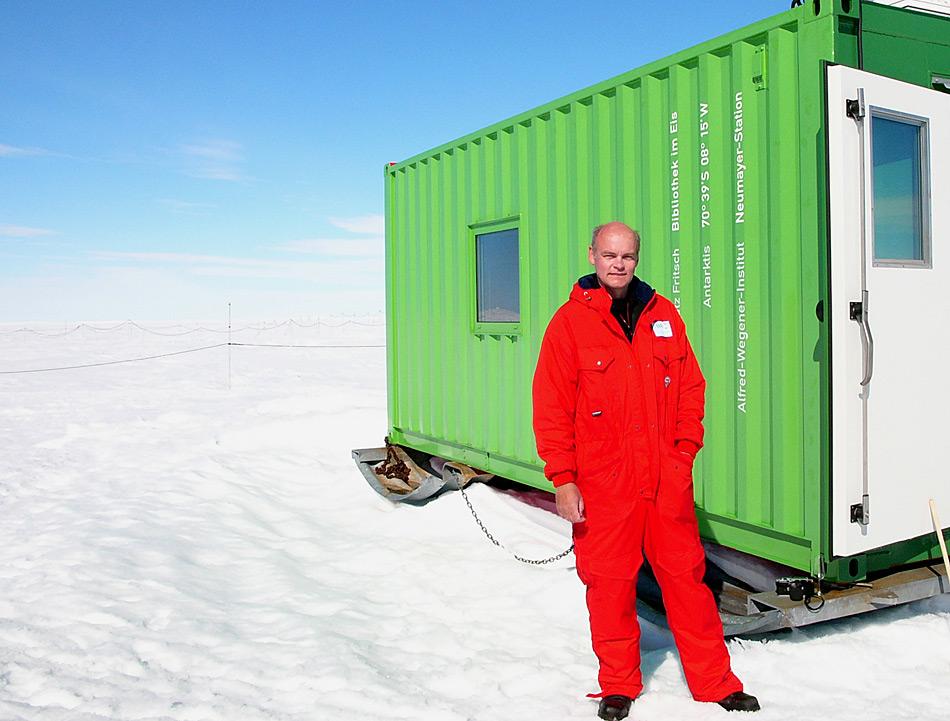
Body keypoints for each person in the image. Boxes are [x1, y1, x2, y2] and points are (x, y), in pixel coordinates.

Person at [532, 222, 760, 720]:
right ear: (591, 254)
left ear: (637, 257)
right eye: (609, 254)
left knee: (686, 580)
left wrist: (682, 452)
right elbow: (550, 408)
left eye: (628, 256)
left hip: (664, 482)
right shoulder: (569, 324)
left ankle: (715, 682)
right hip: (603, 482)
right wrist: (563, 478)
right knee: (610, 584)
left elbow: (691, 389)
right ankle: (618, 684)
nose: (618, 264)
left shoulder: (664, 315)